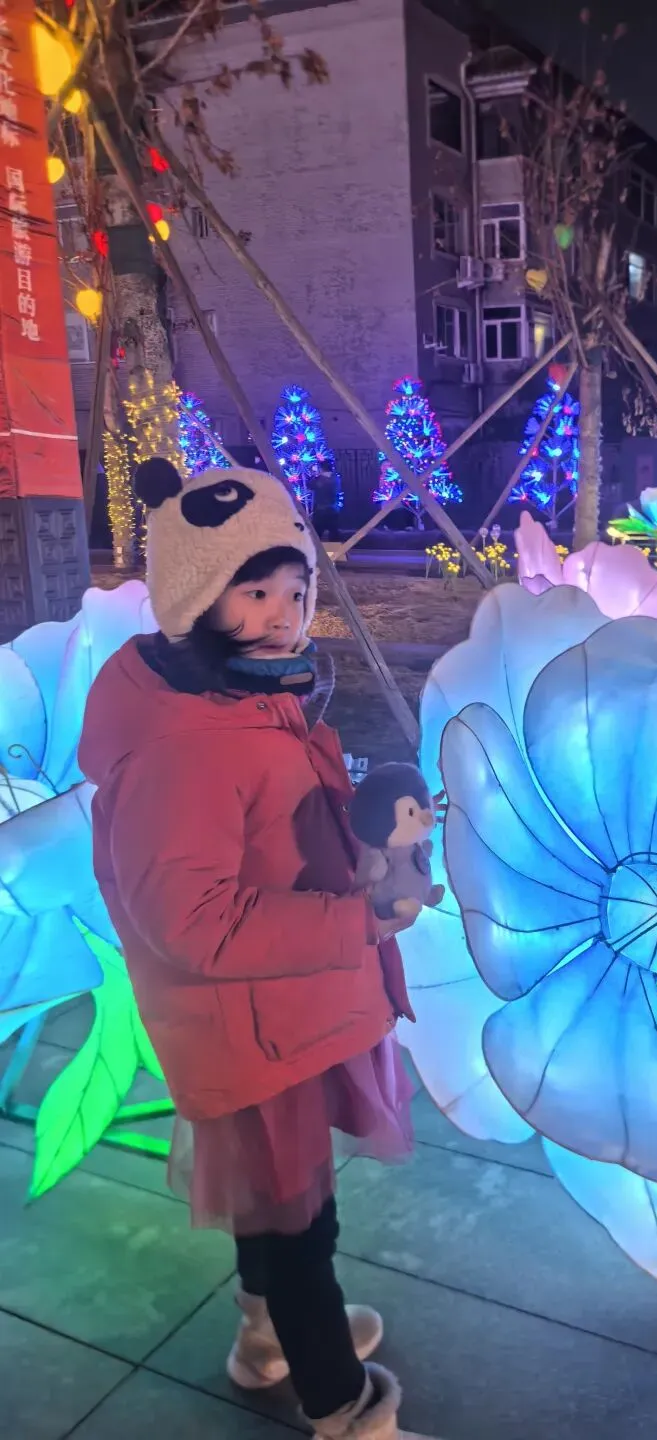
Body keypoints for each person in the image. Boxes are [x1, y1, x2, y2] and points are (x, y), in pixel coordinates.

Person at [79, 457, 413, 1440]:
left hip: (281, 1012)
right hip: (253, 1026)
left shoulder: (244, 697)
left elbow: (272, 831)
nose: (282, 615)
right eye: (254, 591)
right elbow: (193, 919)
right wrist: (358, 919)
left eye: (296, 592)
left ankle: (266, 1339)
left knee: (280, 1204)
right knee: (300, 1224)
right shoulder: (184, 740)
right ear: (196, 597)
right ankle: (343, 1408)